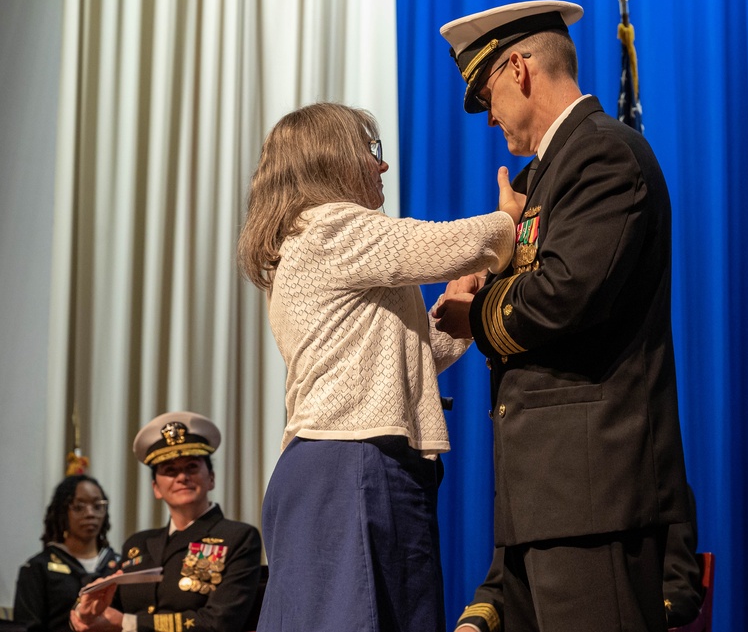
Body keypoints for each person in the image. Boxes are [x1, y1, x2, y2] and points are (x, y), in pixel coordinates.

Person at [434, 0, 690, 632]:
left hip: (593, 497)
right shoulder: (548, 174)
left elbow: (565, 294)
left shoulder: (604, 155)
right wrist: (497, 266)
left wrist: (477, 311)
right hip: (550, 498)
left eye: (487, 93)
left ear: (519, 69)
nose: (489, 117)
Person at [235, 102, 523, 632]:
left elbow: (401, 361)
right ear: (334, 160)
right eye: (372, 152)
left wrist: (451, 309)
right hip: (350, 467)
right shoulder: (327, 228)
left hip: (358, 466)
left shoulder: (316, 243)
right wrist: (512, 220)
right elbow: (448, 242)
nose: (381, 166)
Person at [70, 412, 262, 632]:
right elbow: (103, 609)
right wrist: (83, 613)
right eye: (170, 470)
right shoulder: (137, 544)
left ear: (211, 478)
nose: (181, 477)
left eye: (191, 467)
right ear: (156, 488)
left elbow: (218, 623)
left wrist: (128, 623)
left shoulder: (238, 537)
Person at [454, 485, 703, 632]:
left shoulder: (657, 486)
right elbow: (499, 588)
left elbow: (679, 591)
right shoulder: (534, 495)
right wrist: (472, 626)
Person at [14, 475, 120, 632]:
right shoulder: (38, 568)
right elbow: (27, 627)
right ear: (62, 512)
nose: (90, 513)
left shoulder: (118, 565)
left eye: (98, 506)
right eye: (78, 507)